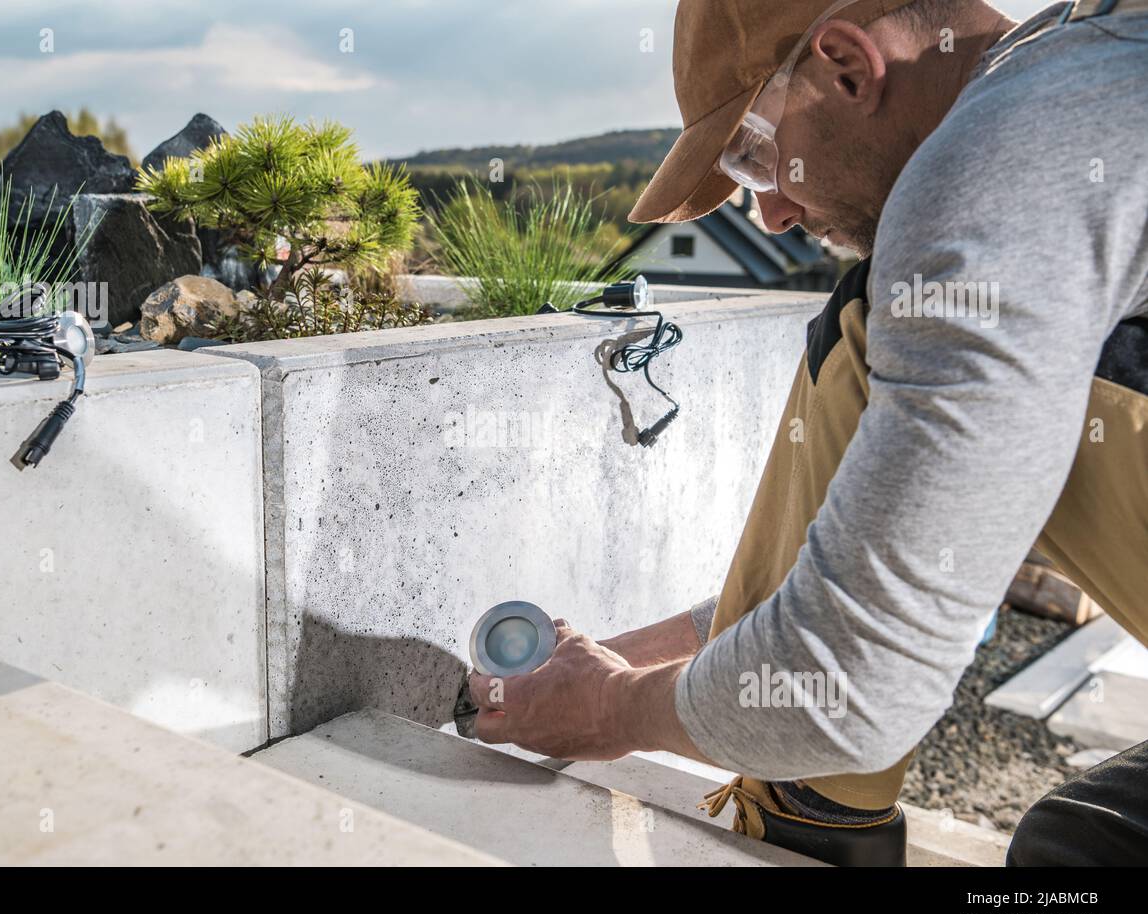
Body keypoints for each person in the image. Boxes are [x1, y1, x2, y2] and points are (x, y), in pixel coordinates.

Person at [468, 0, 1148, 865]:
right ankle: (804, 812)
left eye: (754, 160)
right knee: (1081, 851)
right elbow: (930, 538)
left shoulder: (1001, 157)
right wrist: (607, 664)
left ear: (849, 67)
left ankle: (805, 819)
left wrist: (608, 712)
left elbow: (849, 688)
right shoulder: (1081, 64)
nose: (774, 217)